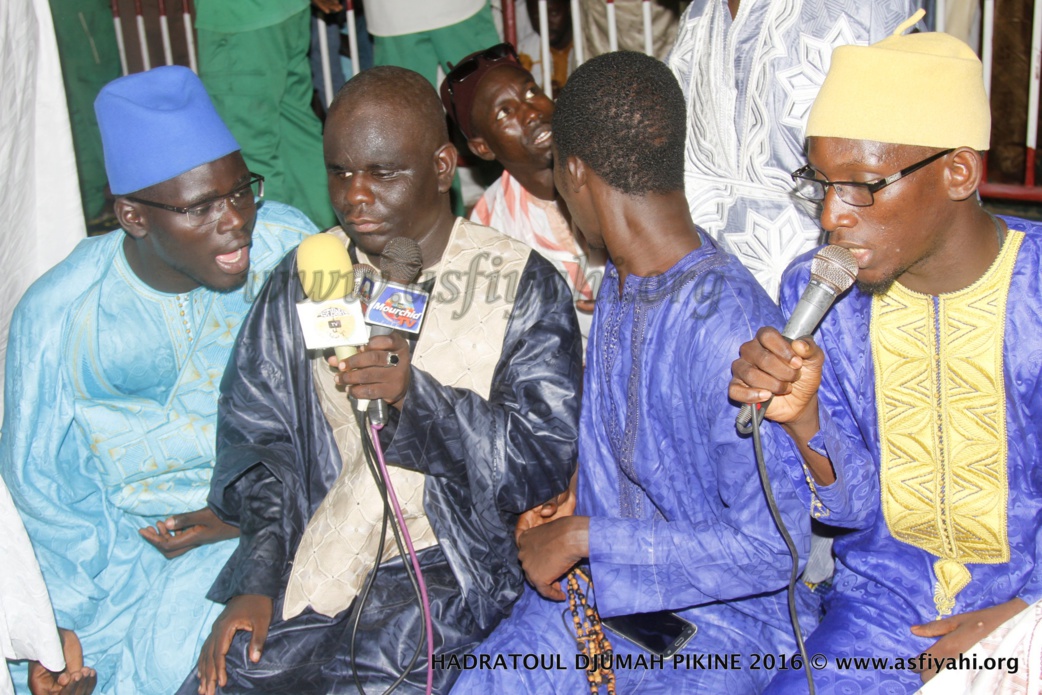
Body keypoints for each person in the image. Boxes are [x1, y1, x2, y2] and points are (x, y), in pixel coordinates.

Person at [181, 65, 582, 695]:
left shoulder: (522, 285)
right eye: (340, 171)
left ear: (444, 168)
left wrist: (415, 400)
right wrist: (257, 579)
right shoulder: (308, 272)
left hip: (450, 571)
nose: (354, 196)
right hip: (315, 558)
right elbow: (261, 440)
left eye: (382, 172)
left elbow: (542, 462)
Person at [451, 51, 815, 694]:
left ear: (576, 173)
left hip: (730, 625)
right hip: (605, 594)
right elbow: (624, 438)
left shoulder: (733, 331)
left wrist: (587, 538)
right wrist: (574, 494)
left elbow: (774, 550)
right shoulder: (624, 277)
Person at [728, 13, 1042, 693]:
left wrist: (1022, 615)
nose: (831, 216)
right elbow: (851, 514)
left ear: (958, 170)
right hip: (879, 615)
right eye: (820, 183)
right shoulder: (819, 297)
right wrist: (803, 420)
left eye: (864, 186)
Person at [0, 65, 316, 695]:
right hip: (110, 563)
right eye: (202, 206)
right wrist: (59, 623)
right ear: (133, 217)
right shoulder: (59, 313)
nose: (236, 222)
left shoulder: (292, 248)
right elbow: (41, 491)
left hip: (270, 525)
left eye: (240, 191)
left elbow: (346, 416)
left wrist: (243, 523)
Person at [667, 0, 921, 300]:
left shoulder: (864, 10)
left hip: (835, 297)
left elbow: (923, 170)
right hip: (703, 298)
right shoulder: (699, 12)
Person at [440, 43, 602, 343]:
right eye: (504, 112)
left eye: (530, 92)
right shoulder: (489, 226)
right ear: (483, 148)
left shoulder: (613, 163)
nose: (530, 113)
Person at [194, 0, 336, 228]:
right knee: (296, 127)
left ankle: (277, 245)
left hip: (239, 20)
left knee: (251, 146)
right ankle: (329, 233)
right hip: (286, 11)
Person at [517, 0, 575, 95]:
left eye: (553, 13)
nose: (545, 23)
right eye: (537, 16)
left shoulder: (590, 45)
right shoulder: (523, 52)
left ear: (569, 7)